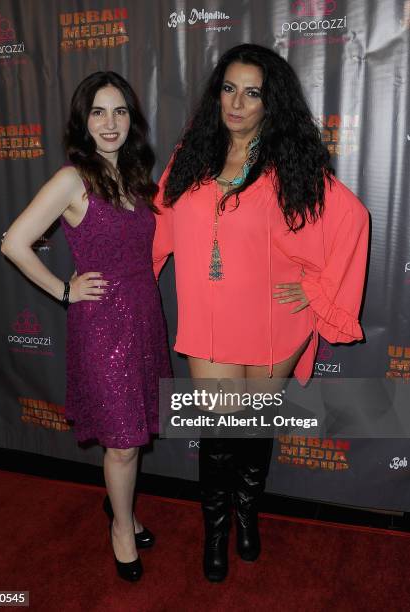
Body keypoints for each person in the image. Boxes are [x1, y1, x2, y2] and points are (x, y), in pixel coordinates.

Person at [153, 44, 369, 582]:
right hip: (208, 318)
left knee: (252, 431)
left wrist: (316, 288)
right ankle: (218, 531)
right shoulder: (191, 156)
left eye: (253, 93)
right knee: (220, 432)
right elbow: (157, 227)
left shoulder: (291, 162)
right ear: (216, 94)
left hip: (275, 318)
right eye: (229, 88)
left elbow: (353, 218)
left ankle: (248, 515)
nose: (238, 103)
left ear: (271, 103)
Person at [1, 71, 170, 582]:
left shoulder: (139, 175)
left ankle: (124, 511)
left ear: (131, 120)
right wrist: (64, 290)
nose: (110, 122)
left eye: (119, 111)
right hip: (102, 326)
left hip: (144, 317)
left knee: (133, 438)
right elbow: (14, 242)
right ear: (84, 121)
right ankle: (121, 529)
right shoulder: (72, 179)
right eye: (98, 112)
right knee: (120, 441)